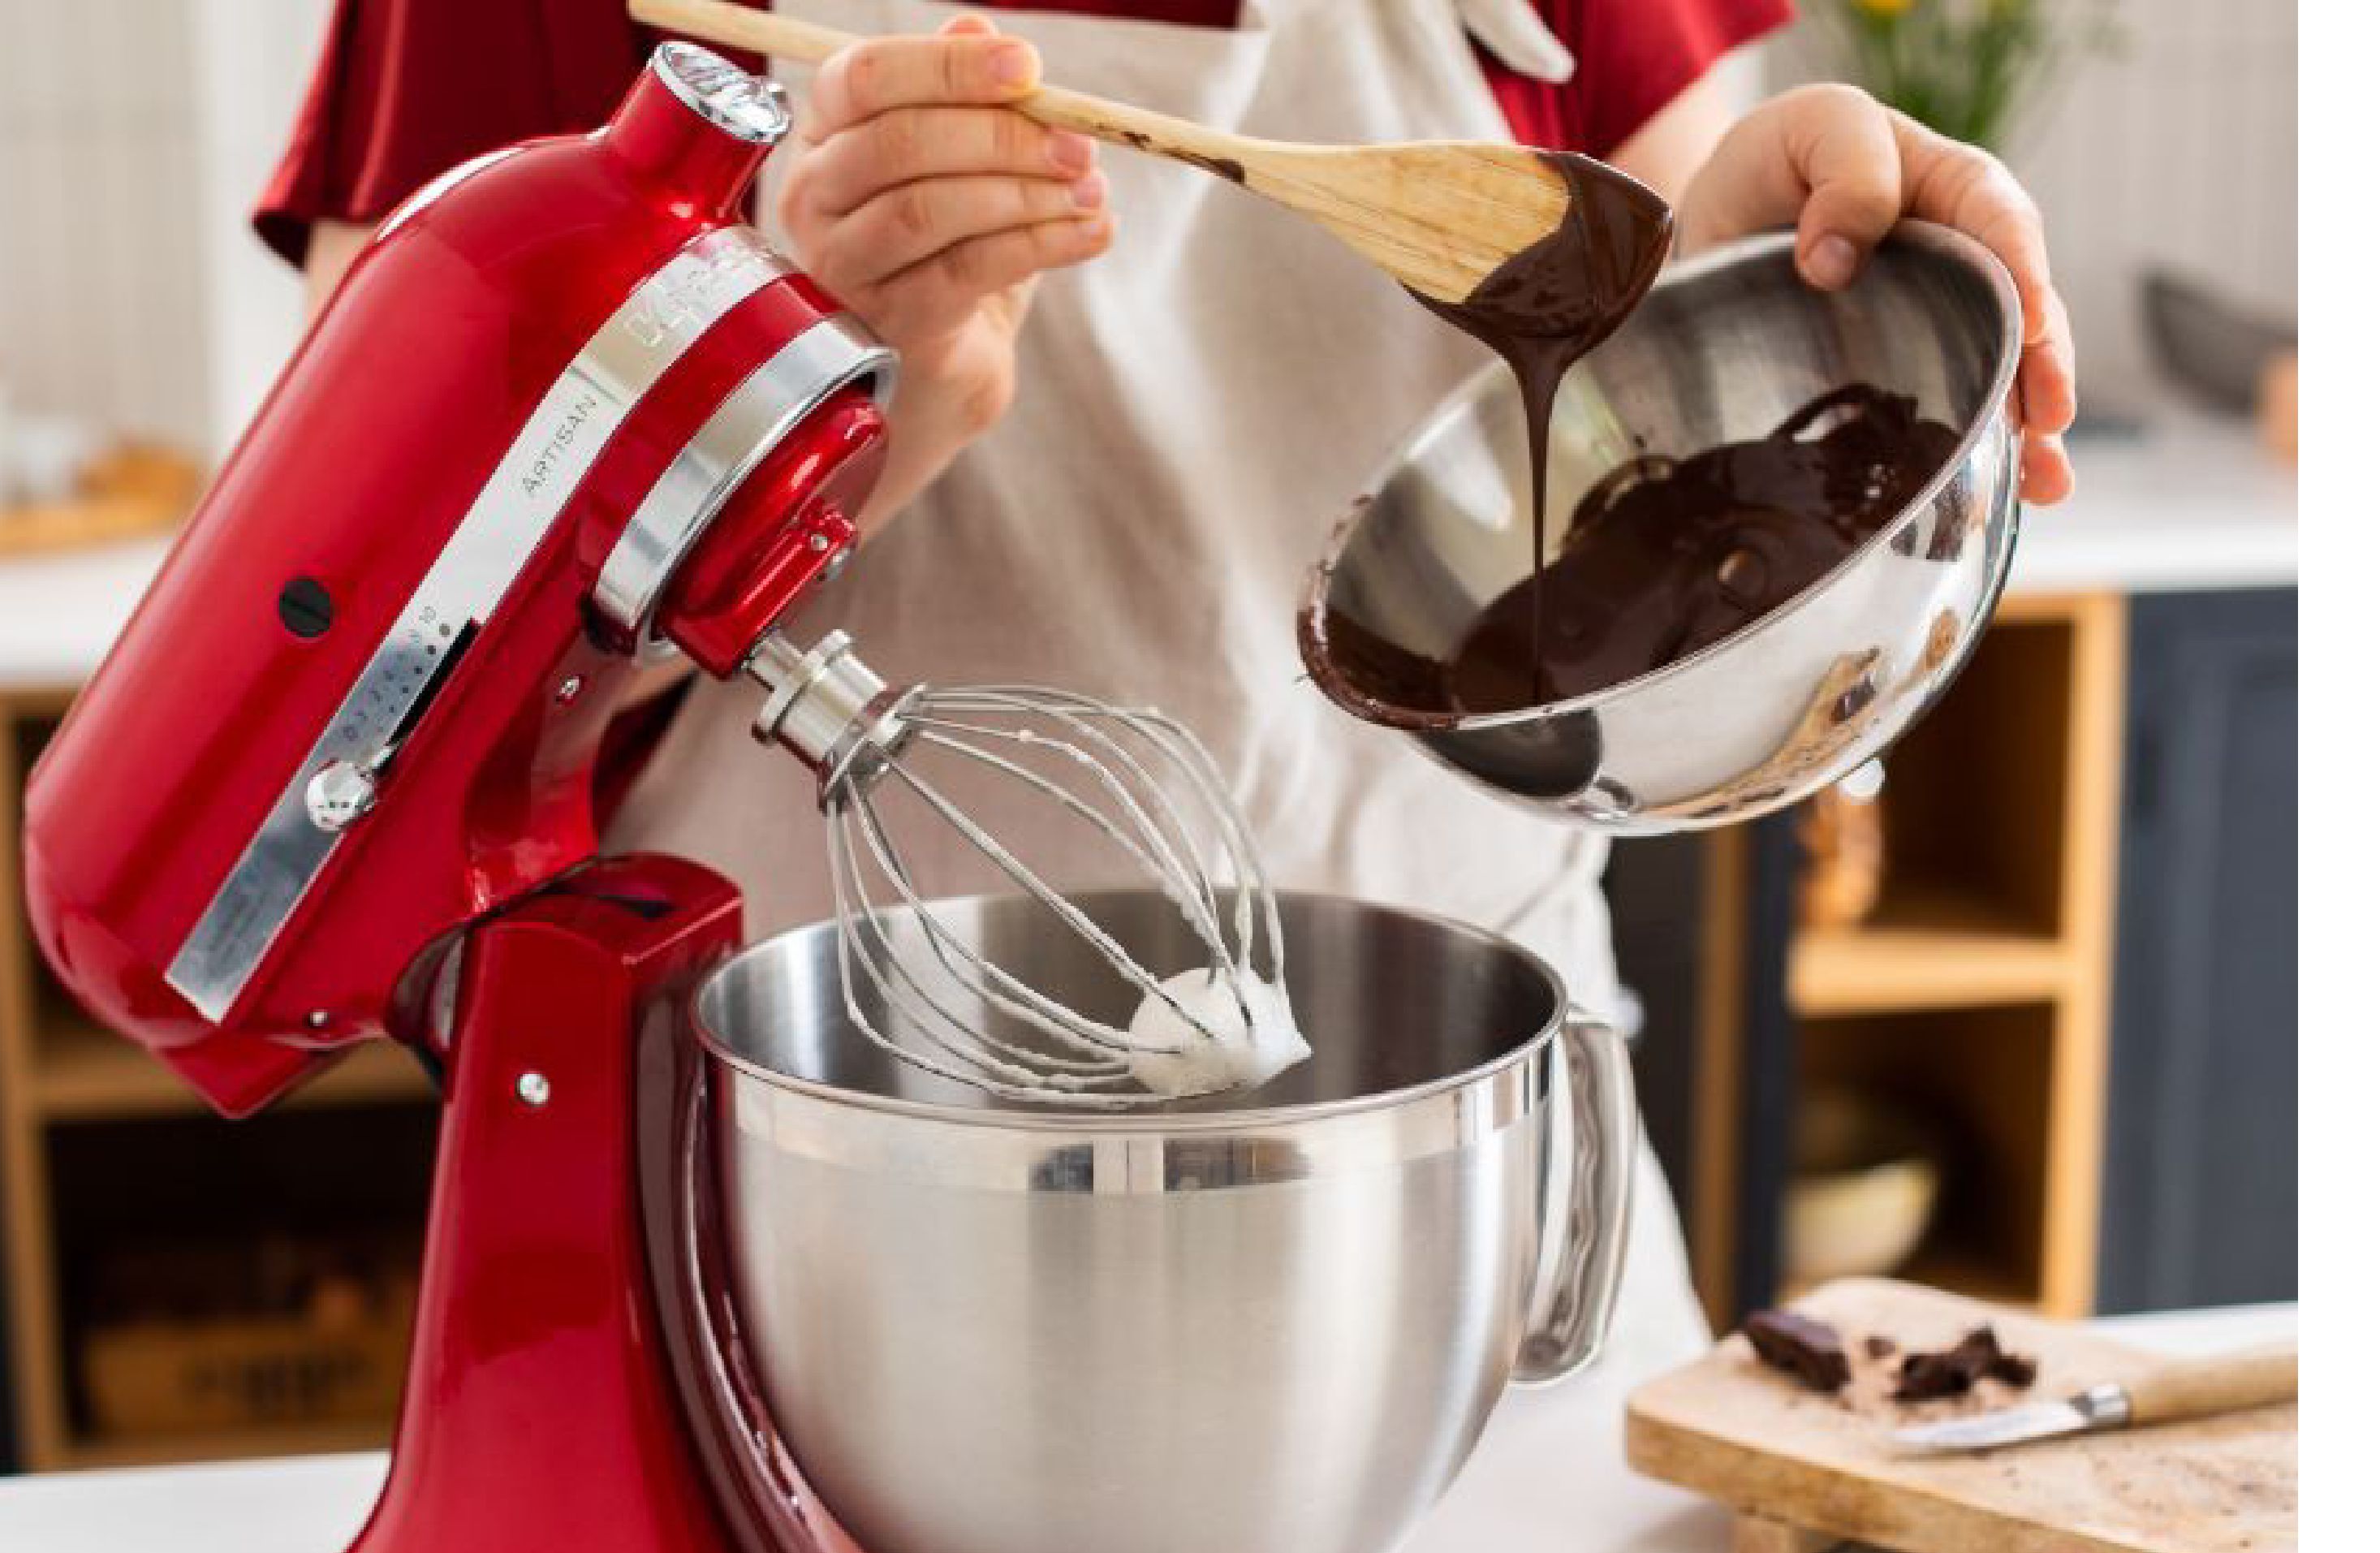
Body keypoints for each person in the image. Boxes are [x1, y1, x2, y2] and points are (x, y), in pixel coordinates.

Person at [256, 0, 2078, 1370]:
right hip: (811, 1284)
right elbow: (350, 731)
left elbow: (1642, 395)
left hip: (1478, 1251)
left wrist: (1783, 263)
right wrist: (797, 410)